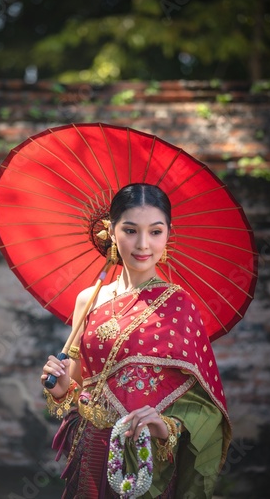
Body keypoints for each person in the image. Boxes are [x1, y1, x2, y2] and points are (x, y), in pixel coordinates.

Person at [41, 183, 231, 499]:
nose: (143, 244)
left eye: (155, 232)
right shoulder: (89, 299)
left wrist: (164, 427)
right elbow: (78, 381)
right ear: (110, 232)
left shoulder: (180, 304)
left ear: (168, 234)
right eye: (130, 230)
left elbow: (205, 404)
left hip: (148, 456)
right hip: (91, 449)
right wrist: (60, 388)